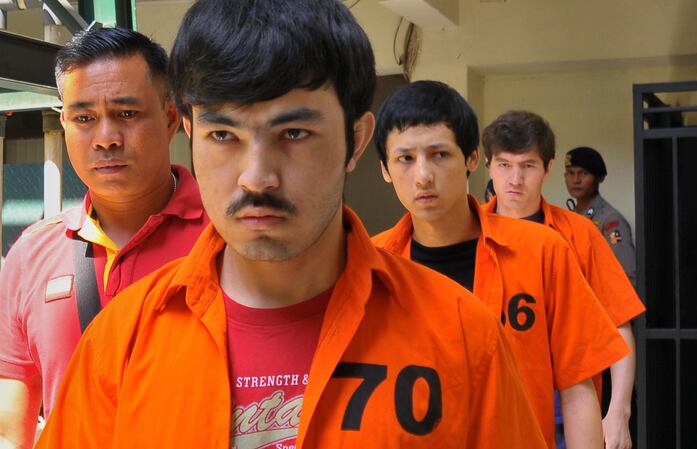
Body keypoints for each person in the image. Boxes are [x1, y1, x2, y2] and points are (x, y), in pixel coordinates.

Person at [35, 1, 546, 448]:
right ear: (188, 131)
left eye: (295, 132)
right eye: (222, 135)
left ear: (357, 139)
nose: (257, 177)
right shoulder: (120, 344)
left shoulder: (460, 334)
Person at [372, 80, 630, 449]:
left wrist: (618, 411)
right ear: (385, 168)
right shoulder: (368, 266)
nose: (423, 176)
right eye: (405, 158)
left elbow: (577, 387)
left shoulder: (543, 251)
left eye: (440, 154)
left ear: (472, 159)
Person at [0, 28, 208, 449]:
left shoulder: (225, 239)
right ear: (64, 123)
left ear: (172, 119)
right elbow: (11, 429)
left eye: (127, 114)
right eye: (83, 118)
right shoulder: (31, 253)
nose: (106, 137)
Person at [482, 110, 645, 449]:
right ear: (487, 165)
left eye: (527, 166)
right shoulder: (466, 232)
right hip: (483, 408)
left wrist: (619, 411)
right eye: (504, 164)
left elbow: (618, 323)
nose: (515, 179)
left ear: (547, 168)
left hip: (566, 407)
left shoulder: (579, 234)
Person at [564, 146, 636, 285]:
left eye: (583, 173)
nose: (576, 180)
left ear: (600, 178)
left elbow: (627, 275)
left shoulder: (610, 221)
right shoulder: (570, 218)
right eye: (570, 173)